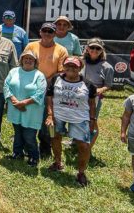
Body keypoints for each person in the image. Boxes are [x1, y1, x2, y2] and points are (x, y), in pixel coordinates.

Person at [46, 57, 97, 187]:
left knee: (83, 146)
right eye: (68, 65)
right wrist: (50, 115)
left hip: (79, 118)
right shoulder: (56, 79)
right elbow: (50, 98)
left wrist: (92, 119)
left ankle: (81, 172)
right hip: (59, 115)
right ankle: (57, 162)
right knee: (55, 138)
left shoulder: (88, 84)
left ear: (80, 68)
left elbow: (92, 103)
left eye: (74, 66)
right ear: (63, 66)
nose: (71, 69)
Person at [23, 22, 69, 158]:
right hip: (31, 86)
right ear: (40, 32)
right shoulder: (31, 46)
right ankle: (28, 144)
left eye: (51, 31)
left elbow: (61, 72)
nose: (47, 34)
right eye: (45, 31)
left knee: (48, 119)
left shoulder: (61, 50)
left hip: (50, 89)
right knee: (29, 116)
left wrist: (45, 81)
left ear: (55, 34)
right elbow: (24, 63)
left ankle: (45, 146)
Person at [3, 49, 47, 166]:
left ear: (35, 61)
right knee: (17, 132)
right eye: (25, 58)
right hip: (15, 107)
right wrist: (14, 101)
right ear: (21, 60)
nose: (28, 60)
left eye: (31, 59)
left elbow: (40, 93)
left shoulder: (39, 75)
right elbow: (6, 86)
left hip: (31, 110)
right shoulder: (13, 71)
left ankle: (34, 156)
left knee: (29, 135)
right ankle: (17, 153)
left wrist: (24, 103)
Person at [81, 37, 114, 147]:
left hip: (94, 98)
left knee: (91, 120)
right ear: (87, 48)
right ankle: (75, 142)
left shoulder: (107, 67)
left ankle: (88, 146)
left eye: (97, 48)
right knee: (78, 119)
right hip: (79, 96)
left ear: (102, 51)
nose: (94, 50)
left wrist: (100, 90)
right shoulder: (81, 62)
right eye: (92, 47)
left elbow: (108, 85)